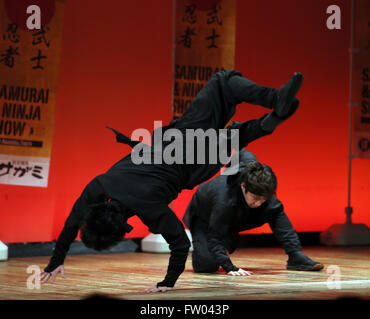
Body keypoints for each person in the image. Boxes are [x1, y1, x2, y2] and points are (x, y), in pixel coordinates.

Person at [40, 69, 303, 292]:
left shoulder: (150, 211)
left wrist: (167, 282)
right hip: (176, 143)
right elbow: (71, 223)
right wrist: (55, 260)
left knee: (238, 134)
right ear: (93, 213)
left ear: (124, 229)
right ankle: (275, 101)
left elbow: (180, 244)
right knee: (223, 82)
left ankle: (276, 117)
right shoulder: (99, 186)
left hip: (198, 166)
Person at [183, 148, 324, 276]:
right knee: (207, 266)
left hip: (236, 212)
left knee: (274, 207)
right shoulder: (224, 199)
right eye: (256, 198)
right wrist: (230, 267)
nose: (259, 203)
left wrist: (231, 169)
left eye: (263, 199)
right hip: (205, 218)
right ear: (243, 186)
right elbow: (214, 237)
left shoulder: (253, 170)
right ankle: (221, 243)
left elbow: (241, 151)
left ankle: (295, 256)